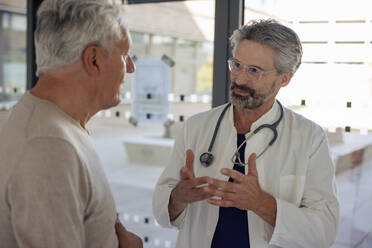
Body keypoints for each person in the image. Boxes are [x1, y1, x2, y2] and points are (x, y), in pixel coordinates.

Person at [153, 19, 339, 248]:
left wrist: (262, 204)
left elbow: (325, 230)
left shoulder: (309, 138)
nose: (239, 79)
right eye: (237, 65)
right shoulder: (196, 127)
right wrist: (178, 198)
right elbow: (161, 210)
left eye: (254, 71)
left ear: (285, 78)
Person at [0, 0, 142, 247]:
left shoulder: (56, 125)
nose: (130, 68)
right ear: (94, 59)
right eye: (124, 55)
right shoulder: (48, 146)